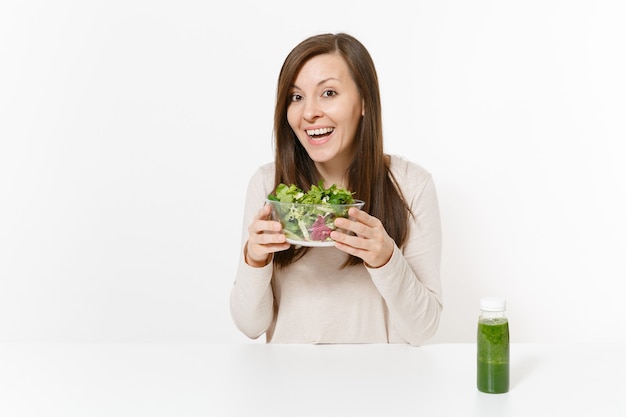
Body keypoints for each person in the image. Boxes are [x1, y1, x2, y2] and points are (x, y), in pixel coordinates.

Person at [230, 33, 442, 346]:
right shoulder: (268, 185)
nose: (309, 113)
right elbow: (250, 325)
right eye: (296, 97)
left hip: (382, 385)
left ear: (364, 102)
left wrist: (386, 260)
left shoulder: (411, 184)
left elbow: (423, 330)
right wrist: (254, 259)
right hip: (288, 385)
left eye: (328, 93)